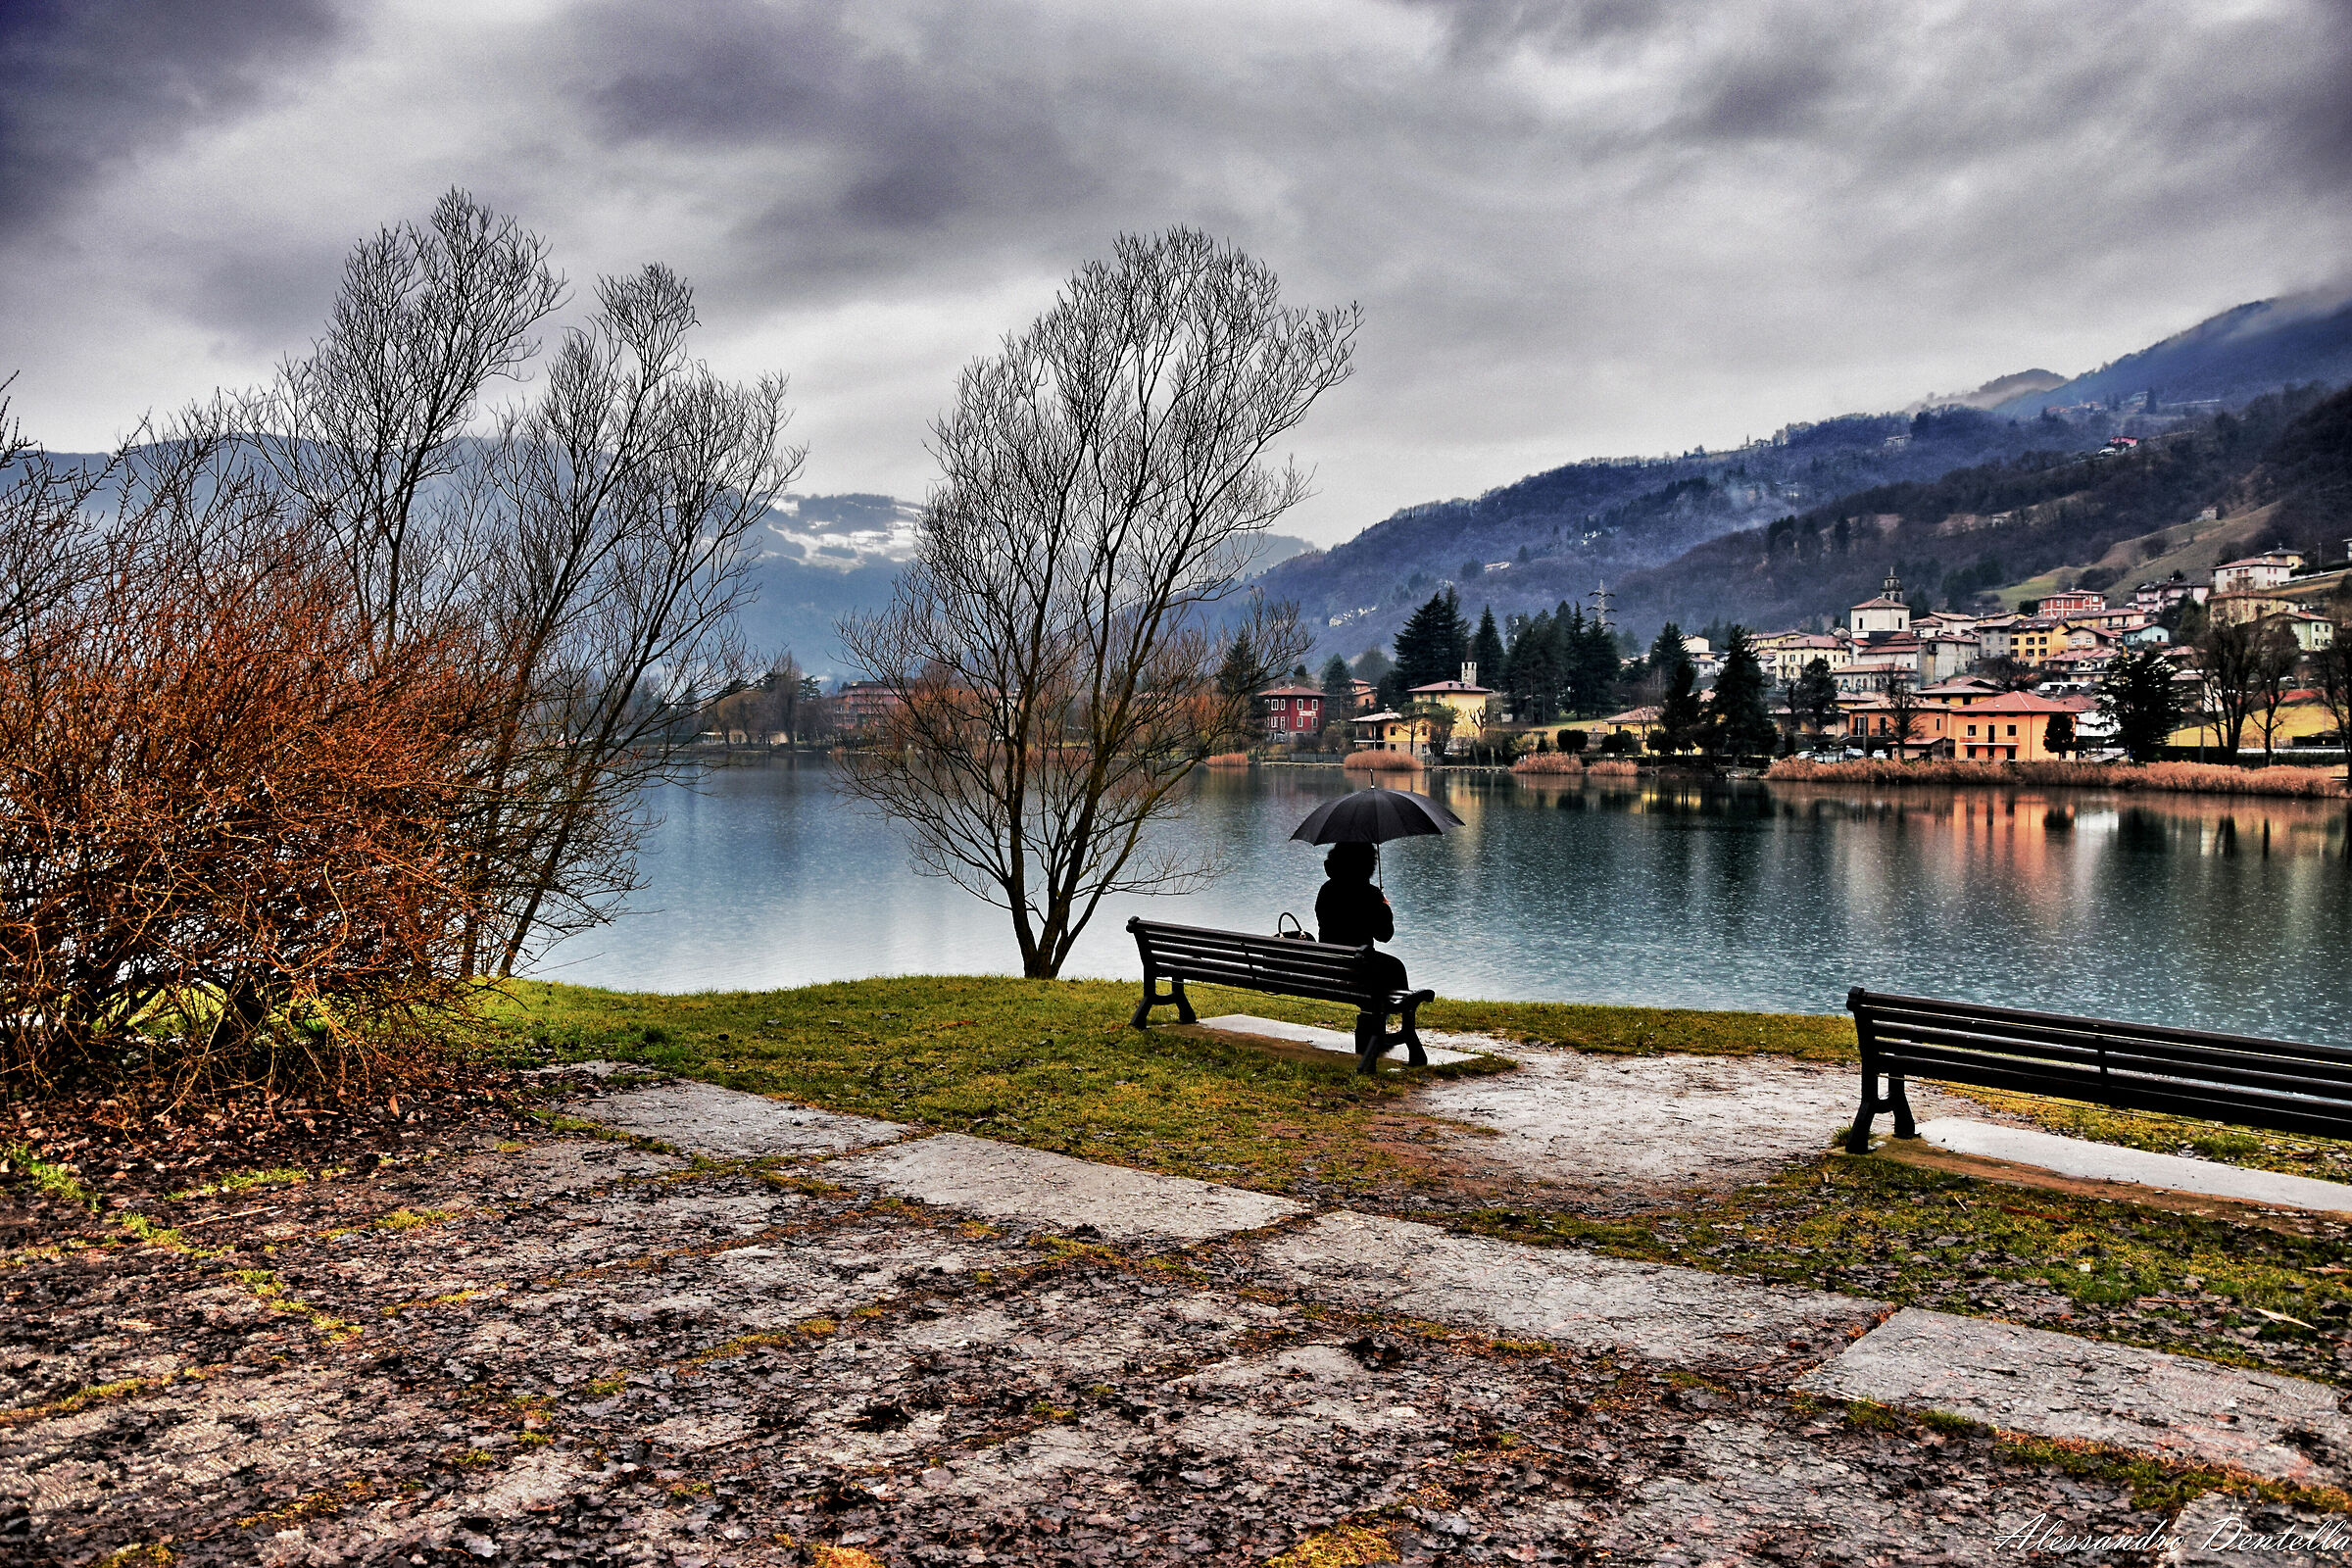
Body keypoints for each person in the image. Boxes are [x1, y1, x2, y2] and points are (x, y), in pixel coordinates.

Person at [1314, 842, 1409, 992]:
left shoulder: (1326, 890)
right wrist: (1383, 907)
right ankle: (1393, 1011)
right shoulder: (1368, 894)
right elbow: (1384, 935)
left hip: (1330, 963)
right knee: (1396, 968)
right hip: (1359, 966)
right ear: (1367, 866)